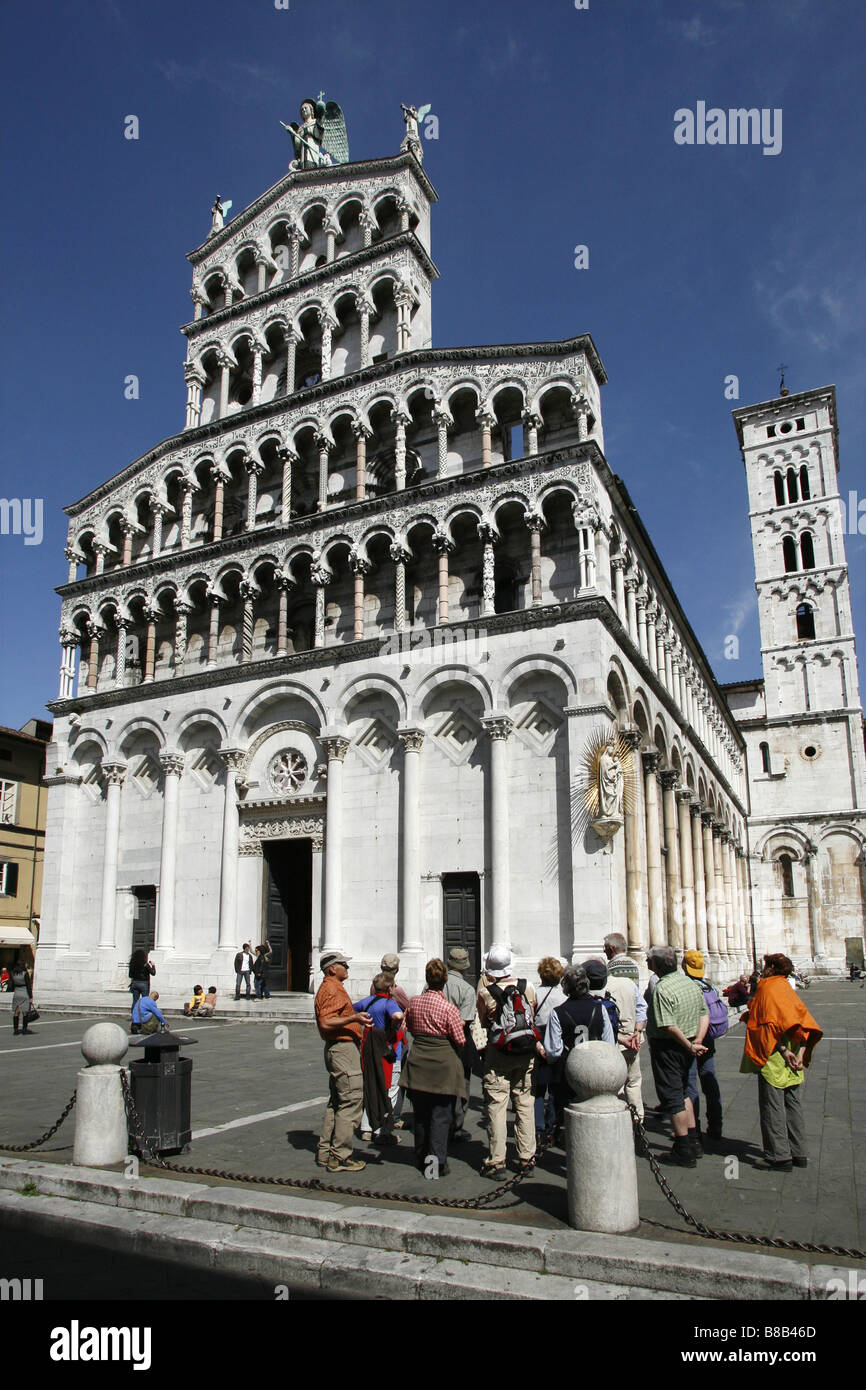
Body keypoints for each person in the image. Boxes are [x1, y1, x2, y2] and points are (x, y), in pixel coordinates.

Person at [740, 953, 823, 1172]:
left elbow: (766, 1025)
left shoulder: (767, 988)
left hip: (774, 1057)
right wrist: (801, 1052)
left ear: (770, 968)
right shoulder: (787, 988)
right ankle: (799, 1152)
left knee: (772, 1105)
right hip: (794, 1058)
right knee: (793, 1103)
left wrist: (784, 1051)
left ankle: (778, 1156)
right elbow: (804, 1021)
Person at [476, 945, 538, 1178]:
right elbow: (533, 1010)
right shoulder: (527, 986)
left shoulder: (486, 992)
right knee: (525, 1103)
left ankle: (496, 1161)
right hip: (525, 1053)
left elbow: (482, 1020)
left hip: (498, 1052)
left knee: (496, 1104)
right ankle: (526, 1158)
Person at [400, 958, 465, 1178]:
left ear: (428, 979)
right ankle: (436, 1165)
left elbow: (406, 1026)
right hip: (441, 1065)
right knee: (440, 1115)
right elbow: (460, 1039)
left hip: (418, 1061)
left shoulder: (414, 1002)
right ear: (444, 980)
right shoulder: (449, 1008)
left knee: (420, 1114)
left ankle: (421, 1157)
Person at [646, 945, 709, 1167]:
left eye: (649, 960)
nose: (646, 963)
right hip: (690, 1044)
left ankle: (683, 1149)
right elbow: (704, 1014)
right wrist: (697, 1041)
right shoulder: (689, 984)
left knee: (672, 1098)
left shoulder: (662, 989)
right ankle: (694, 1141)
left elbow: (669, 1026)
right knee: (684, 1093)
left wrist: (689, 1045)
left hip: (669, 1048)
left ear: (657, 965)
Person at [314, 951, 372, 1173]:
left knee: (337, 1102)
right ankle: (340, 1156)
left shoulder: (331, 988)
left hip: (338, 1049)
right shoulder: (331, 988)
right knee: (351, 1101)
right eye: (343, 965)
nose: (347, 968)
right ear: (332, 969)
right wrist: (354, 1018)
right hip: (343, 1050)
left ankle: (325, 1153)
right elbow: (326, 1022)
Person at [542, 964, 614, 1135]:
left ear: (565, 986)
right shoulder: (599, 1009)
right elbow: (609, 1043)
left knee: (563, 1105)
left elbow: (553, 1051)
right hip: (595, 1067)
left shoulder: (558, 1012)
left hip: (568, 1070)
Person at [354, 973, 405, 1145]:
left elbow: (351, 1009)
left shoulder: (367, 1002)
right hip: (387, 1051)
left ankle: (367, 1128)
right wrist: (401, 1017)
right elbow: (397, 1016)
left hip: (368, 1048)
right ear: (390, 988)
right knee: (389, 1089)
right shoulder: (389, 1003)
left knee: (371, 1085)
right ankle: (383, 1129)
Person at [602, 932, 648, 1118]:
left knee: (614, 1079)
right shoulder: (635, 966)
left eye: (605, 948)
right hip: (633, 1031)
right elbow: (639, 1004)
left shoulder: (610, 970)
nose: (604, 952)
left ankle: (617, 1116)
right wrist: (638, 1030)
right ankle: (638, 1118)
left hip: (617, 1032)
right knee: (634, 1080)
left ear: (611, 949)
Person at [682, 950, 724, 1147]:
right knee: (709, 1080)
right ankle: (716, 1125)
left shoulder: (686, 988)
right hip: (708, 1040)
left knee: (690, 1085)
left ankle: (694, 1129)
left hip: (690, 1040)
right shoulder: (710, 987)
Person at [443, 947, 480, 1141]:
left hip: (437, 1043)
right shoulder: (467, 989)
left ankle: (439, 1122)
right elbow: (464, 1021)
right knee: (461, 1085)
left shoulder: (434, 985)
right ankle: (456, 1126)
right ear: (465, 966)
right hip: (458, 1043)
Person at [531, 957, 567, 1140]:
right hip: (556, 1041)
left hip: (538, 1041)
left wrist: (538, 1044)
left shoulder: (534, 994)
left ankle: (538, 1126)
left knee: (537, 1088)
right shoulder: (563, 997)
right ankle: (552, 1124)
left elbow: (530, 1020)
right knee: (554, 1087)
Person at [11, 957, 34, 1035]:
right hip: (24, 992)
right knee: (25, 1012)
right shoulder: (25, 973)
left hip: (17, 992)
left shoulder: (13, 973)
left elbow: (12, 984)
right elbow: (28, 985)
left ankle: (16, 1029)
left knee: (16, 1011)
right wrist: (31, 997)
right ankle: (24, 1029)